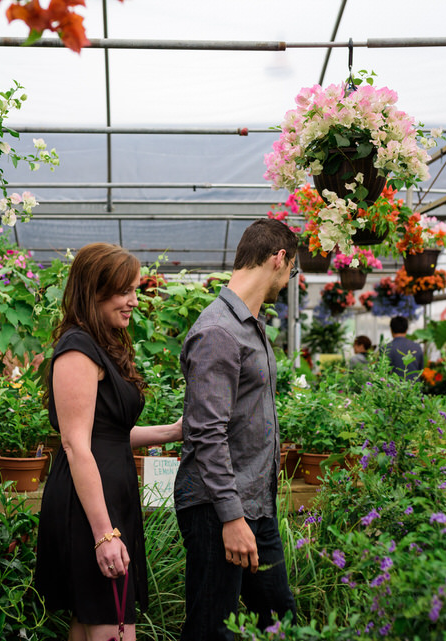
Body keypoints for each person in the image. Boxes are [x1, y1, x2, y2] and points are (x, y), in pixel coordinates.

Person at [35, 243, 182, 641]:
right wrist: (105, 534)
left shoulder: (100, 346)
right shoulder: (77, 350)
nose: (134, 301)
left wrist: (173, 430)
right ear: (94, 290)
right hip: (89, 511)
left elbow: (110, 435)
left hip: (106, 504)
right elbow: (76, 445)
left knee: (91, 625)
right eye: (125, 291)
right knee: (113, 628)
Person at [174, 219, 299, 641]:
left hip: (252, 504)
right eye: (293, 270)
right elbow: (207, 433)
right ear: (279, 258)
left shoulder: (247, 324)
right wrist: (231, 517)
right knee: (213, 630)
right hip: (219, 509)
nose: (289, 280)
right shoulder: (218, 331)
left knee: (279, 619)